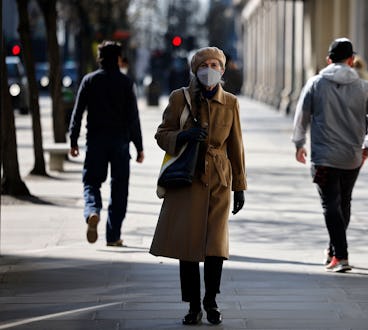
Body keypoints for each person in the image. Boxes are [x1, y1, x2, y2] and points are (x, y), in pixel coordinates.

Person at [149, 46, 247, 325]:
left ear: (223, 70)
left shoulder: (230, 102)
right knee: (188, 245)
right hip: (187, 179)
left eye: (216, 64)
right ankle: (193, 305)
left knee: (216, 244)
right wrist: (184, 136)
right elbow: (161, 134)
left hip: (218, 178)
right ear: (195, 69)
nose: (210, 69)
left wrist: (239, 185)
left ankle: (211, 301)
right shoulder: (179, 98)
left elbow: (236, 146)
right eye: (205, 64)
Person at [291, 38, 368, 273]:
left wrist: (299, 143)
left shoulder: (316, 83)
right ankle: (333, 251)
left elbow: (302, 116)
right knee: (344, 201)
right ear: (351, 60)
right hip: (352, 156)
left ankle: (341, 256)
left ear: (329, 60)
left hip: (323, 157)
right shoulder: (363, 87)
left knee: (330, 205)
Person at [69, 41, 144, 247]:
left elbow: (77, 113)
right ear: (119, 59)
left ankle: (92, 210)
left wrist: (73, 140)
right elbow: (133, 118)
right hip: (120, 142)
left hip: (95, 141)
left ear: (99, 59)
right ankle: (113, 236)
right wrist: (139, 147)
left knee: (91, 182)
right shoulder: (126, 83)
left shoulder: (89, 81)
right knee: (119, 189)